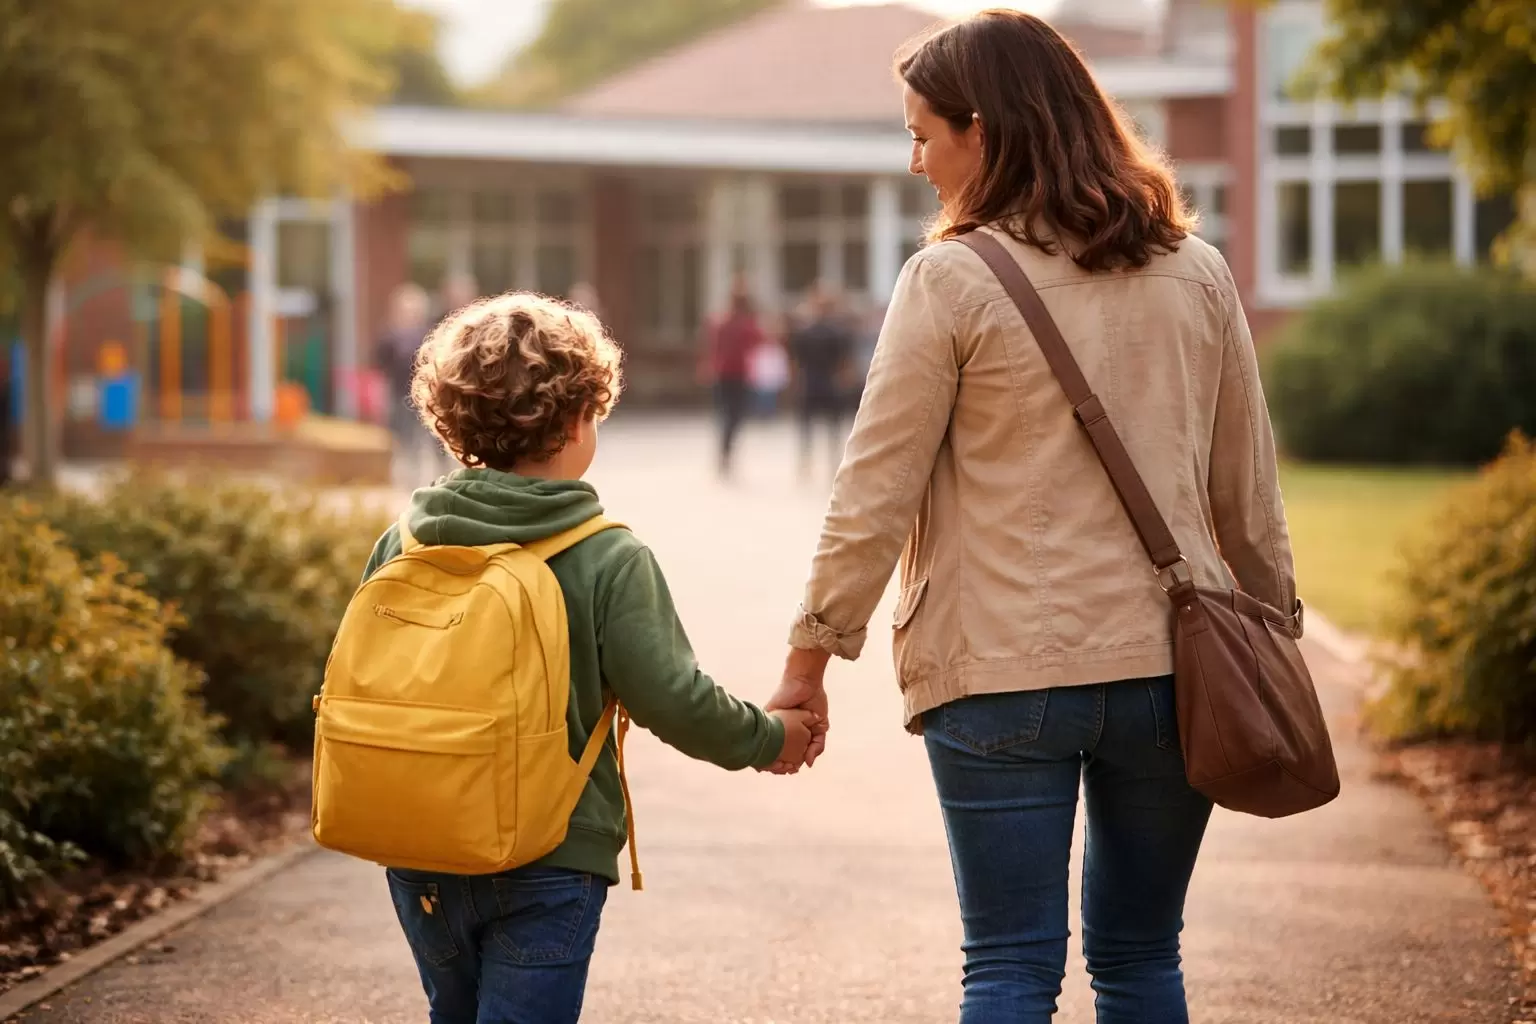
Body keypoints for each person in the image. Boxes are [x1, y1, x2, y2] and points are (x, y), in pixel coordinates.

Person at [765, 11, 1301, 1024]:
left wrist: (809, 660)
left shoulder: (950, 280)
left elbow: (875, 490)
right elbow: (1247, 487)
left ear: (984, 130)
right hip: (1172, 669)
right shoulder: (1197, 271)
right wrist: (1274, 626)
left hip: (998, 671)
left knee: (1009, 965)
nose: (916, 161)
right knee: (1142, 955)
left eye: (924, 134)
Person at [369, 291, 817, 1024]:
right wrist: (769, 738)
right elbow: (672, 697)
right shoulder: (605, 554)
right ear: (579, 419)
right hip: (549, 850)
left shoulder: (406, 539)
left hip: (418, 842)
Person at [786, 284, 856, 477]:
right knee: (823, 425)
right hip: (820, 381)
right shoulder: (829, 331)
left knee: (816, 425)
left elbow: (795, 361)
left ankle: (812, 461)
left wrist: (794, 381)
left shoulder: (815, 331)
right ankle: (813, 461)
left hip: (818, 381)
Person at [376, 282, 437, 487]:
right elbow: (381, 364)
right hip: (398, 394)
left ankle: (422, 480)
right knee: (400, 439)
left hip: (424, 396)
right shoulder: (390, 336)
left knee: (424, 440)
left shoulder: (428, 334)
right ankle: (403, 480)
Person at [700, 286, 765, 477]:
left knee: (725, 414)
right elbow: (759, 339)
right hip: (738, 374)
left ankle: (724, 452)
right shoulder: (745, 323)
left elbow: (710, 345)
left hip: (722, 372)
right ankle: (726, 452)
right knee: (734, 415)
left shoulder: (720, 321)